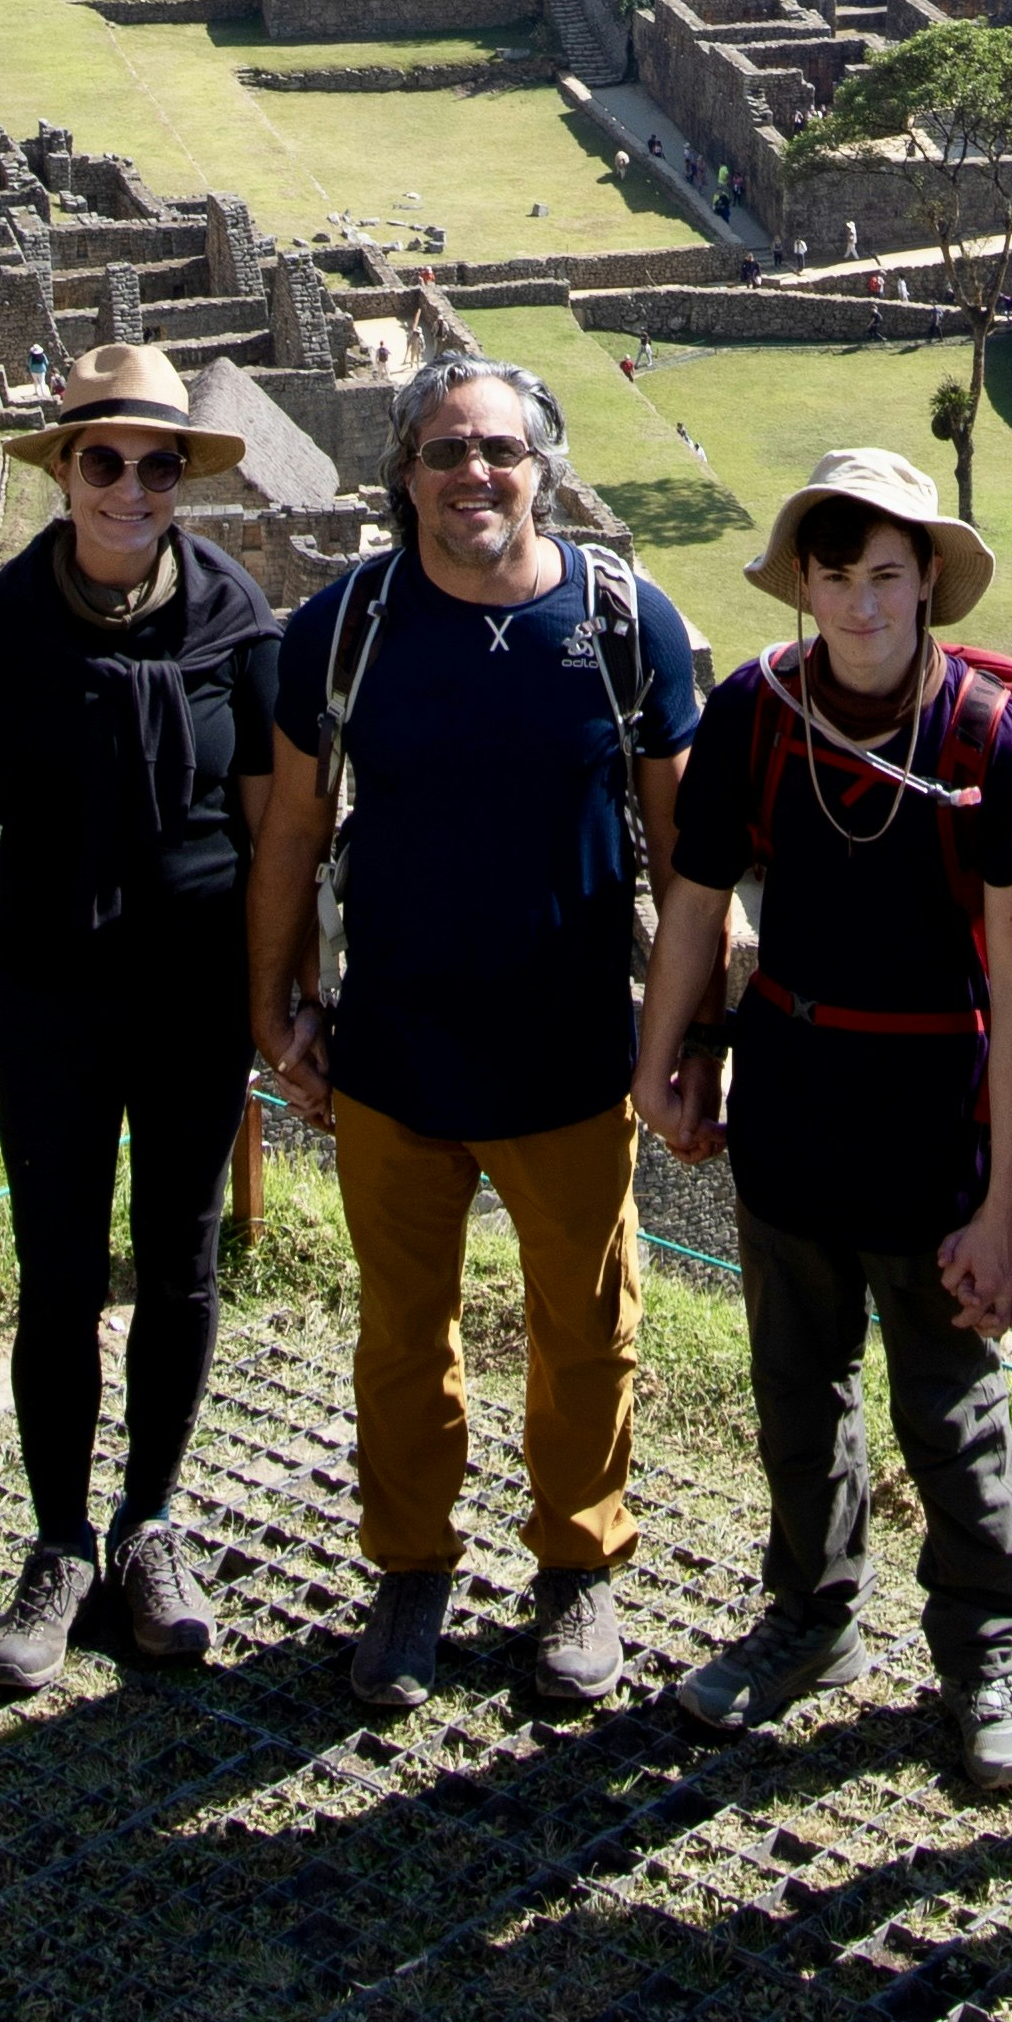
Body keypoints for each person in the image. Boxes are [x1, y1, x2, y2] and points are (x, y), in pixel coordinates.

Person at [247, 356, 696, 1716]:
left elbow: (685, 860)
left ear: (540, 464)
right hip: (391, 1052)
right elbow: (290, 831)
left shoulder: (627, 623)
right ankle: (411, 1565)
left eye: (497, 450)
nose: (472, 477)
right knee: (402, 1331)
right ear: (405, 477)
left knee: (585, 1329)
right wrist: (273, 1009)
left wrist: (684, 1038)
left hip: (568, 1056)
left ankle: (577, 1562)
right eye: (444, 454)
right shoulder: (344, 629)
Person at [631, 455, 1012, 1794]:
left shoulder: (993, 744)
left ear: (929, 577)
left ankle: (984, 1656)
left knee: (951, 1407)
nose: (862, 604)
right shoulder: (756, 714)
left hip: (936, 1125)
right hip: (796, 1106)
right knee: (796, 1394)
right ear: (802, 586)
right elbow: (698, 905)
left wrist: (1006, 1207)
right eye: (837, 576)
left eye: (887, 574)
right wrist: (667, 1059)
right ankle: (813, 1619)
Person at [0, 343, 282, 1694]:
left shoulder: (236, 619)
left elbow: (265, 823)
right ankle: (59, 1542)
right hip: (52, 989)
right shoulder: (5, 627)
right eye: (103, 462)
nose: (130, 489)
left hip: (194, 988)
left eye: (155, 465)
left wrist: (278, 991)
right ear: (63, 472)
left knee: (182, 1260)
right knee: (62, 1272)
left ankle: (150, 1523)